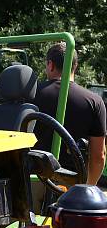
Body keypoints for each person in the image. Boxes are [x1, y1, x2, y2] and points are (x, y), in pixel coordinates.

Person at [34, 42, 106, 186]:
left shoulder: (30, 94)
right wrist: (87, 187)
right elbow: (99, 156)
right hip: (72, 185)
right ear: (75, 66)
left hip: (33, 179)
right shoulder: (94, 101)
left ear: (50, 64)